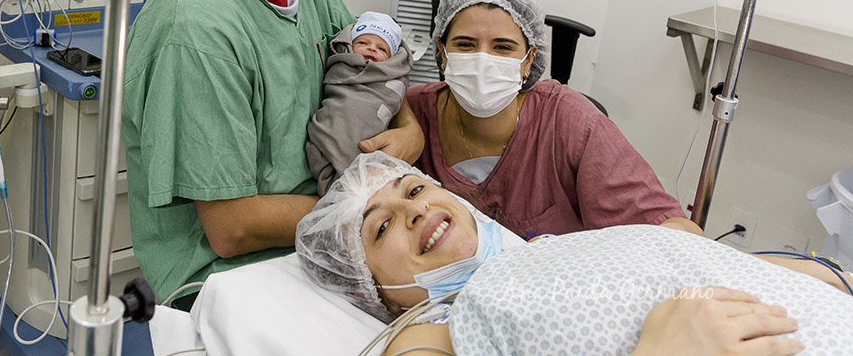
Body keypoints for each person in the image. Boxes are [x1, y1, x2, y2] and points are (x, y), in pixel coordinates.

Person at [120, 0, 423, 307]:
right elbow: (233, 228)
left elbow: (367, 59)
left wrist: (409, 127)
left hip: (320, 229)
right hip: (228, 275)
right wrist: (366, 207)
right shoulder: (196, 26)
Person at [296, 152, 851, 356]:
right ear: (369, 289)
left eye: (414, 190)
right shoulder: (432, 329)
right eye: (380, 228)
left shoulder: (549, 249)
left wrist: (817, 272)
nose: (413, 211)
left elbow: (677, 260)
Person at [408, 0, 701, 239]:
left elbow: (669, 227)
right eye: (466, 44)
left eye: (503, 47)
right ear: (442, 52)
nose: (483, 60)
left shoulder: (568, 120)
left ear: (528, 59)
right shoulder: (411, 113)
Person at [306, 11, 413, 196]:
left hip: (365, 139)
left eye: (382, 49)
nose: (372, 49)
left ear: (391, 59)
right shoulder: (341, 65)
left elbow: (393, 100)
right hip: (330, 129)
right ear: (349, 45)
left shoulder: (390, 79)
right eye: (363, 43)